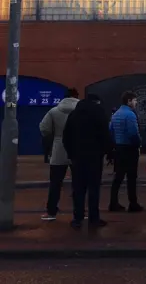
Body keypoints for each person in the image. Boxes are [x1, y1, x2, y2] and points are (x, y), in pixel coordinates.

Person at [62, 93, 111, 228]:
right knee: (94, 188)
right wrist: (106, 151)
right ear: (96, 101)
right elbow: (105, 134)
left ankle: (77, 218)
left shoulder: (74, 114)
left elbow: (66, 136)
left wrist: (71, 154)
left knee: (78, 188)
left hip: (77, 157)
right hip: (94, 157)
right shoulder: (99, 113)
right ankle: (94, 218)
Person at [39, 88, 80, 221]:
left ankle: (51, 212)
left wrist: (54, 137)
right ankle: (79, 211)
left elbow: (44, 128)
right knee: (79, 183)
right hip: (77, 150)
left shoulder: (54, 111)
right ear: (76, 96)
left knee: (55, 183)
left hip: (59, 149)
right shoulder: (81, 110)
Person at [109, 91, 144, 213]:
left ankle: (113, 203)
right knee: (131, 177)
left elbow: (111, 131)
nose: (136, 102)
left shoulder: (116, 114)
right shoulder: (130, 115)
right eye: (134, 100)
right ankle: (133, 203)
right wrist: (139, 143)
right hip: (130, 149)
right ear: (129, 101)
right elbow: (133, 133)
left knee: (118, 177)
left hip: (119, 148)